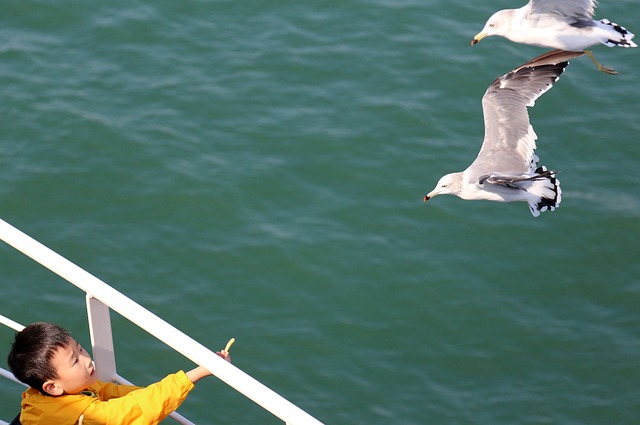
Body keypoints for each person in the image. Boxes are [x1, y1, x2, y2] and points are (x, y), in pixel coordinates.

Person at [7, 322, 231, 425]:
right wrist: (196, 374)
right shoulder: (80, 415)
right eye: (75, 360)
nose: (87, 359)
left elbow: (112, 393)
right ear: (53, 387)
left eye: (81, 348)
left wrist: (153, 393)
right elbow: (130, 412)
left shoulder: (52, 396)